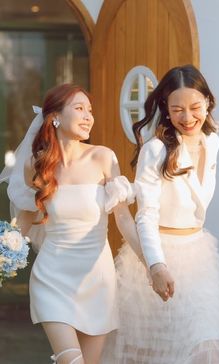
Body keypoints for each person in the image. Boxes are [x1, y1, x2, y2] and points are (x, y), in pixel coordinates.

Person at [0, 84, 144, 364]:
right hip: (51, 278)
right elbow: (25, 223)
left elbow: (124, 219)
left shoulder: (103, 157)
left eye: (90, 110)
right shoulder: (35, 166)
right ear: (54, 116)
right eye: (79, 108)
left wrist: (152, 264)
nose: (88, 116)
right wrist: (4, 251)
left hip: (97, 279)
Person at [102, 64, 219, 363]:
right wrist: (156, 267)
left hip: (200, 258)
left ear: (208, 102)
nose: (187, 118)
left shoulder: (213, 142)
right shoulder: (156, 150)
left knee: (209, 344)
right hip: (158, 257)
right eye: (177, 110)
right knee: (154, 353)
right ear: (166, 108)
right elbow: (146, 215)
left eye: (195, 107)